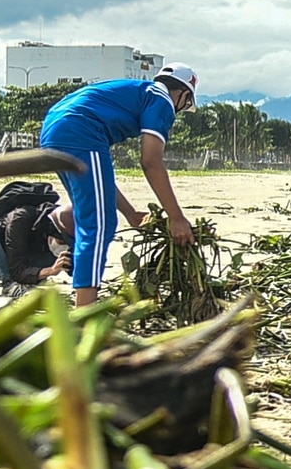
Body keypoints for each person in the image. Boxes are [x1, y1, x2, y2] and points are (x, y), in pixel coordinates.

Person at [37, 65, 202, 306]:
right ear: (184, 95)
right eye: (185, 105)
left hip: (54, 128)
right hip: (81, 130)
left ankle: (63, 237)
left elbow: (103, 183)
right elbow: (151, 161)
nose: (180, 110)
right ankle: (84, 312)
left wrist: (131, 213)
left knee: (93, 213)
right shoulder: (162, 99)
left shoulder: (137, 91)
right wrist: (176, 218)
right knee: (99, 225)